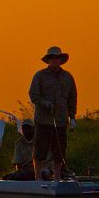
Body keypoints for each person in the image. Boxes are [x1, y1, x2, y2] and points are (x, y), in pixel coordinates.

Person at [29, 46, 77, 181]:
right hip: (43, 119)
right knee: (40, 149)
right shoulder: (39, 76)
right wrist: (45, 103)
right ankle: (37, 177)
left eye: (57, 58)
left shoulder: (68, 77)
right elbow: (33, 95)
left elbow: (72, 98)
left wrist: (72, 117)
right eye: (52, 58)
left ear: (61, 60)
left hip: (61, 119)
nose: (55, 61)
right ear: (48, 60)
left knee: (59, 150)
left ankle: (57, 177)